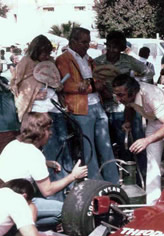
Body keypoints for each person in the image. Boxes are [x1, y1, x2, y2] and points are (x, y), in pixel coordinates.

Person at [0, 112, 88, 230]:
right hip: (12, 202)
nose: (51, 133)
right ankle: (22, 228)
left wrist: (47, 163)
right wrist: (73, 176)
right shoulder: (35, 155)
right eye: (48, 129)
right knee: (65, 210)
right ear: (39, 133)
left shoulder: (13, 144)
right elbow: (47, 190)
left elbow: (22, 161)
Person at [10, 35, 72, 200]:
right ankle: (53, 192)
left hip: (55, 108)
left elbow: (55, 81)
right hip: (39, 110)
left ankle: (68, 185)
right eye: (43, 53)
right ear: (36, 50)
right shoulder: (26, 62)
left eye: (48, 53)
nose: (46, 56)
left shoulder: (50, 63)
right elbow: (16, 85)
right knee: (50, 148)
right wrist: (33, 95)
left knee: (64, 144)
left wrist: (58, 86)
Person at [56, 27, 119, 184]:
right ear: (73, 41)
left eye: (88, 42)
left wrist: (91, 85)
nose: (86, 45)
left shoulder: (89, 59)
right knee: (88, 148)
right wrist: (93, 85)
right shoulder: (63, 59)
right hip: (80, 107)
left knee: (106, 146)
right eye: (84, 42)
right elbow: (68, 85)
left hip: (97, 103)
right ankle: (96, 184)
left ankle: (113, 182)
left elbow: (98, 81)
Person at [112, 74, 164, 205]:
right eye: (116, 95)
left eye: (121, 95)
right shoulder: (129, 96)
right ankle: (152, 203)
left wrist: (146, 141)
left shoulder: (152, 95)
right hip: (153, 121)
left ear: (132, 91)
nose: (118, 99)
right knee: (152, 164)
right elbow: (130, 106)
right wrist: (128, 121)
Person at [94, 31, 150, 183]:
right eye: (111, 46)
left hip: (126, 109)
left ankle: (139, 179)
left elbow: (148, 72)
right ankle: (113, 180)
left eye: (117, 47)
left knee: (133, 145)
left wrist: (133, 88)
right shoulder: (97, 62)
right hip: (105, 109)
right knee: (109, 148)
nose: (113, 50)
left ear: (122, 48)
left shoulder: (129, 60)